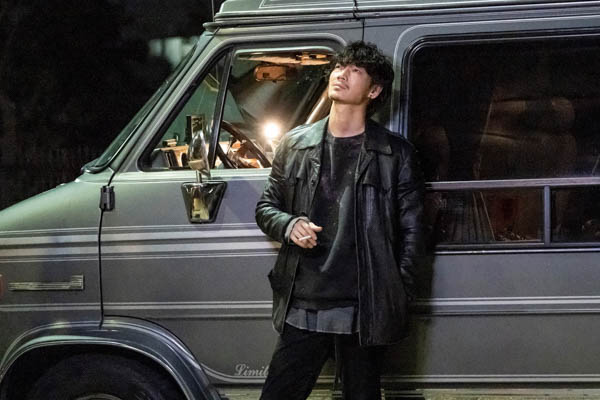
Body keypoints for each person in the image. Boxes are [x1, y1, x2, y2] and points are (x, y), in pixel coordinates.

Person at [255, 41, 424, 400]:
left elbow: (412, 232)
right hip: (304, 301)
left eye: (355, 70)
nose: (341, 74)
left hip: (364, 306)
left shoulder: (395, 153)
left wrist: (398, 293)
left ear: (374, 90)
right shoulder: (294, 144)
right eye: (338, 67)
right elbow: (266, 207)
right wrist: (289, 225)